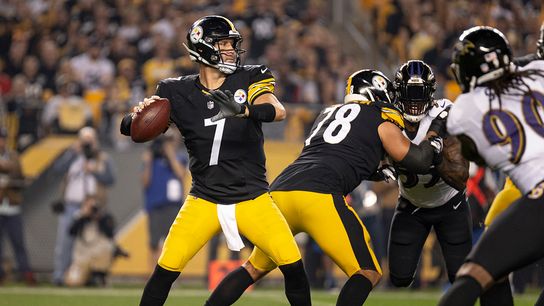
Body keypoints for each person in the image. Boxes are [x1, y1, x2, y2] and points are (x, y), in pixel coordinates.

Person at [208, 69, 446, 306]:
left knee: (252, 268)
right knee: (367, 271)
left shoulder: (327, 114)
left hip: (280, 193)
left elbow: (334, 152)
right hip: (320, 196)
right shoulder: (379, 116)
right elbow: (419, 161)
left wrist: (374, 170)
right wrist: (435, 133)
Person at [120, 15, 312, 306]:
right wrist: (137, 116)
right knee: (164, 271)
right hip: (204, 199)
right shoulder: (174, 91)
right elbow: (130, 127)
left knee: (294, 267)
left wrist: (245, 110)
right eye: (223, 44)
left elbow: (277, 110)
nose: (231, 51)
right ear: (204, 48)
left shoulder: (251, 76)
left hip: (253, 198)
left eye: (232, 45)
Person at [438, 26, 544, 306]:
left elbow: (478, 157)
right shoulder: (538, 71)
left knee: (476, 275)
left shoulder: (463, 110)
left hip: (540, 194)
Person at [387, 60, 471, 288]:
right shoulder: (388, 118)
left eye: (419, 93)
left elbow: (461, 177)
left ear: (430, 93)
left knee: (461, 279)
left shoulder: (444, 115)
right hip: (411, 204)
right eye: (408, 92)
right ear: (398, 92)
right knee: (399, 278)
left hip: (450, 204)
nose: (414, 101)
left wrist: (434, 156)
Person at [51, 126, 115, 286]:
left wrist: (94, 171)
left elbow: (111, 179)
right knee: (65, 242)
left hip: (93, 206)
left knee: (91, 243)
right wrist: (73, 152)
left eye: (90, 140)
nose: (87, 144)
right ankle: (60, 276)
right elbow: (57, 170)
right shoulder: (72, 156)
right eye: (84, 140)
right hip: (71, 205)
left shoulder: (103, 158)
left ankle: (88, 277)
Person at [142, 134, 187, 267]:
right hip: (155, 205)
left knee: (173, 243)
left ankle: (171, 273)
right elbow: (145, 182)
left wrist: (170, 154)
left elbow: (181, 174)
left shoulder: (179, 158)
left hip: (173, 206)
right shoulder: (152, 160)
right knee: (154, 243)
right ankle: (152, 276)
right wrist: (148, 162)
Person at [0, 128, 36, 285]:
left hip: (12, 206)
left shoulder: (13, 156)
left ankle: (26, 273)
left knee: (18, 242)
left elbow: (18, 174)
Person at [64, 195, 116, 287]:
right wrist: (83, 216)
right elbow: (71, 231)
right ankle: (87, 279)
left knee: (107, 248)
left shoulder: (103, 217)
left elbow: (110, 234)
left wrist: (99, 218)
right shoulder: (80, 217)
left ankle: (98, 277)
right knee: (72, 282)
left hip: (98, 255)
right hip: (82, 256)